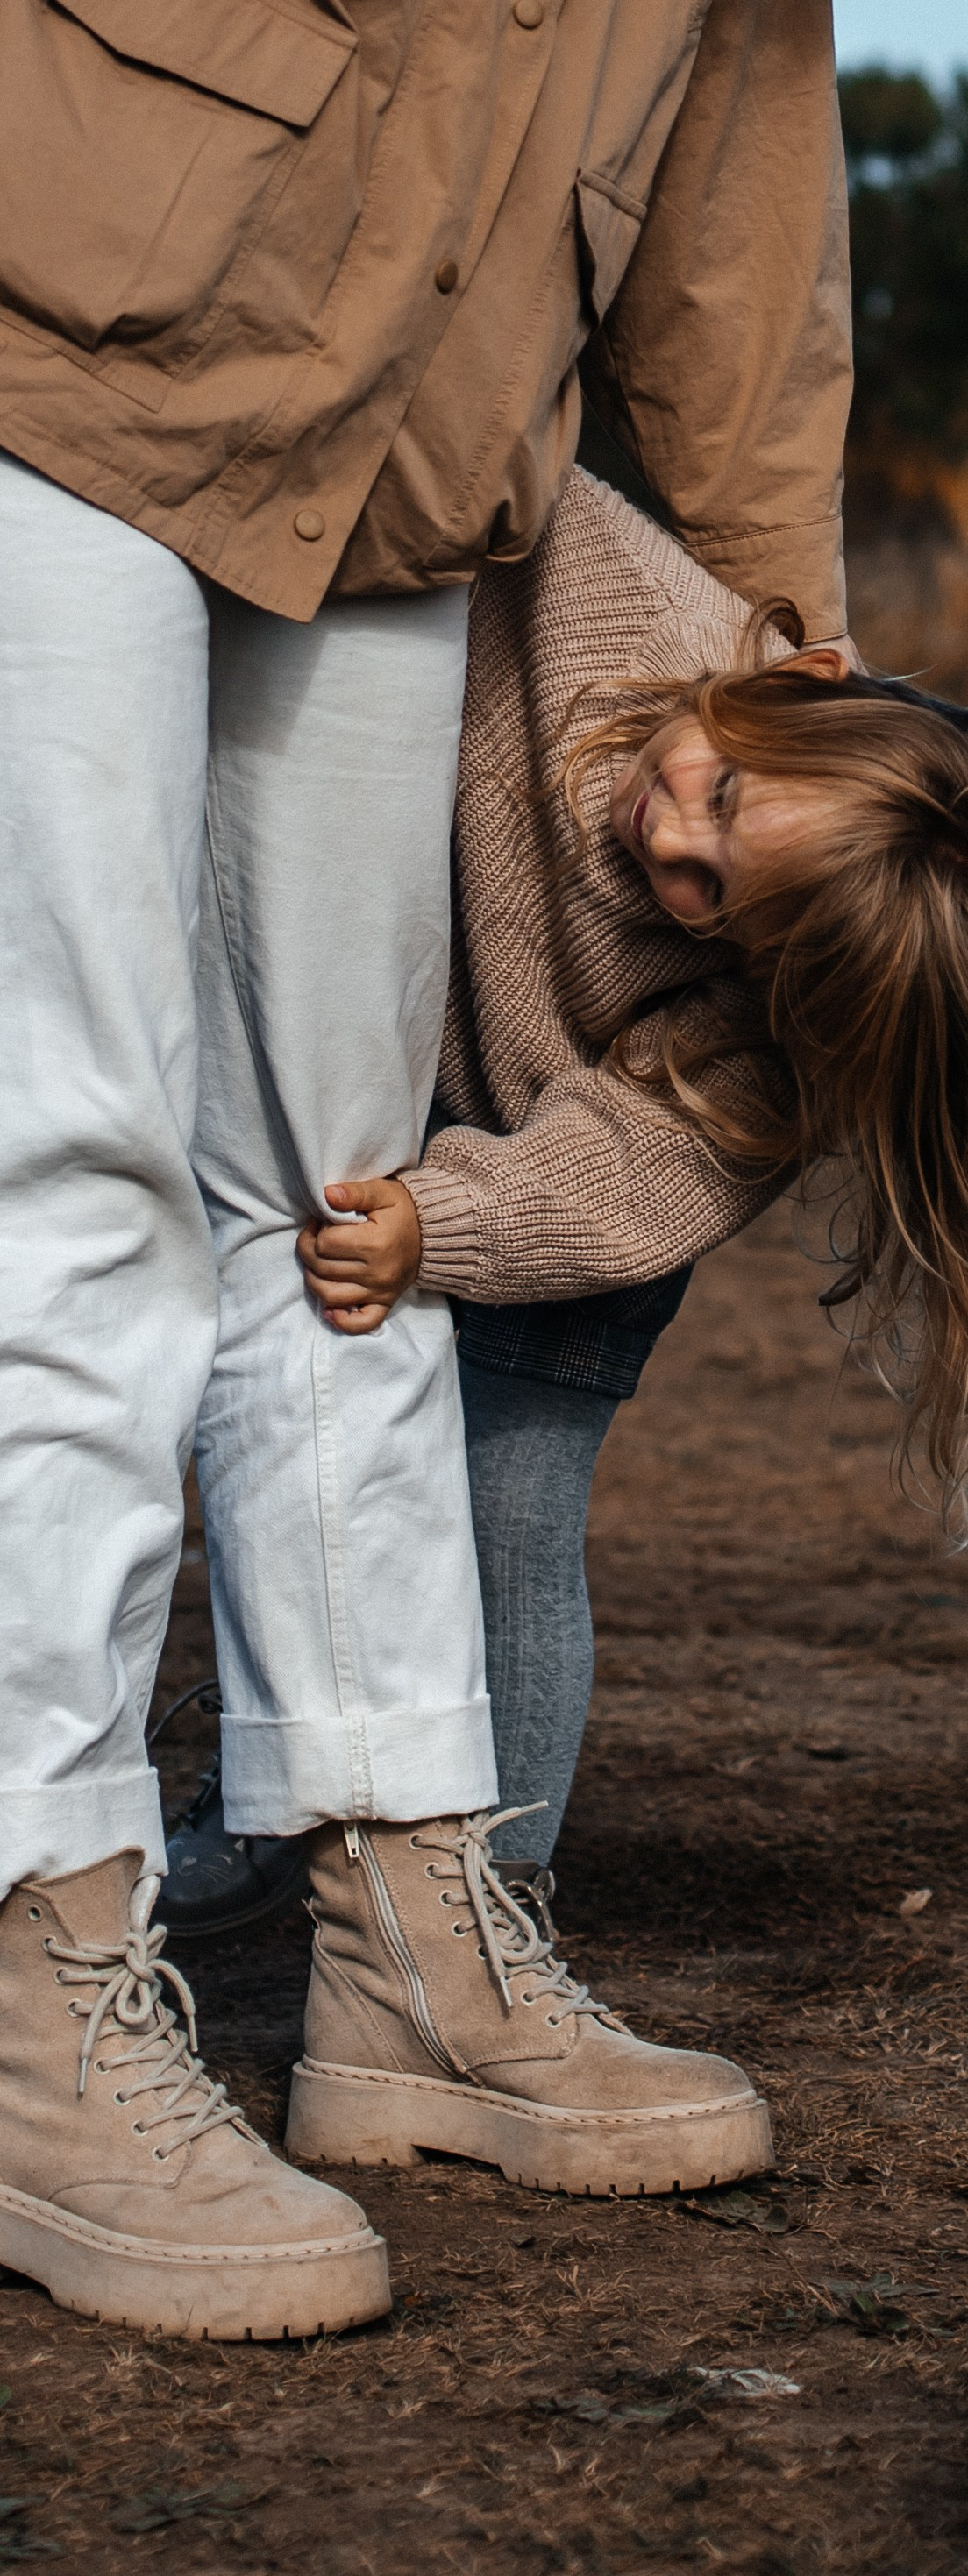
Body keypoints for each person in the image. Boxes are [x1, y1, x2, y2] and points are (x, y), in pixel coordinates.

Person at [0, 2, 851, 2340]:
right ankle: (37, 1955)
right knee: (72, 1160)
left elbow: (743, 172)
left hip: (421, 442)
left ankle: (400, 1939)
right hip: (70, 328)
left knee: (342, 1191)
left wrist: (774, 631)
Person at [273, 470, 968, 2196]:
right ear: (801, 689)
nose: (673, 845)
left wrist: (444, 1225)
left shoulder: (754, 1056)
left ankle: (484, 1912)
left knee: (507, 1510)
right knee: (306, 1476)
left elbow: (621, 1167)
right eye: (716, 795)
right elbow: (490, 482)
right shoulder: (616, 606)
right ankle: (251, 1838)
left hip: (563, 1197)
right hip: (411, 1072)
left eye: (722, 903)